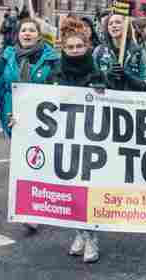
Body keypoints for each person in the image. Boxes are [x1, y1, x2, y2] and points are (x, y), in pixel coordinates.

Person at [49, 17, 107, 263]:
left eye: (79, 47)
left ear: (86, 47)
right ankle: (80, 233)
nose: (74, 51)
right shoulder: (56, 72)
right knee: (71, 188)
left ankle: (92, 237)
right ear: (63, 48)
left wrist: (103, 88)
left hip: (92, 140)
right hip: (65, 138)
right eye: (70, 47)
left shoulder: (97, 73)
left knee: (90, 189)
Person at [0, 16, 60, 235]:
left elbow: (59, 87)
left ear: (38, 34)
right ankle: (26, 208)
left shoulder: (51, 58)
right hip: (13, 118)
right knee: (22, 166)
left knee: (38, 165)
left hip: (43, 122)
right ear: (18, 34)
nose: (27, 34)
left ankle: (34, 212)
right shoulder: (7, 56)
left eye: (32, 30)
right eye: (24, 30)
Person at [92, 14, 146, 92]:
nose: (114, 26)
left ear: (126, 26)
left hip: (131, 100)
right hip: (106, 100)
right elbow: (93, 79)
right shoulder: (99, 51)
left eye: (118, 22)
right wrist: (107, 76)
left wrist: (127, 77)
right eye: (110, 24)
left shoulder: (138, 51)